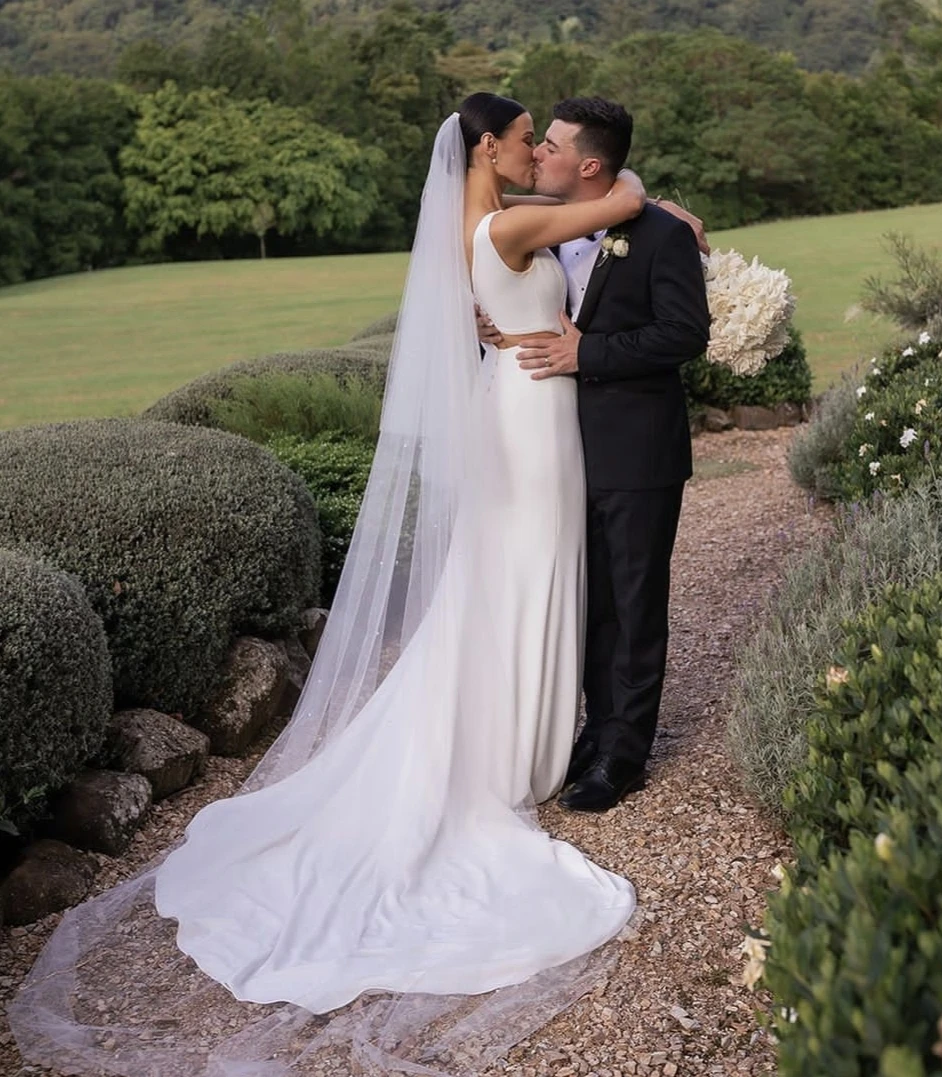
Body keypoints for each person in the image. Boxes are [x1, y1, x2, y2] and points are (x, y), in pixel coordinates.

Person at [8, 94, 664, 1077]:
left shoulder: (462, 227)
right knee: (523, 576)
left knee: (500, 587)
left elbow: (494, 309)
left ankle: (515, 746)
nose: (537, 150)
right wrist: (643, 187)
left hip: (514, 404)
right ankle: (513, 762)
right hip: (535, 422)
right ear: (488, 147)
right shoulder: (516, 219)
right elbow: (619, 203)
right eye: (527, 137)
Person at [481, 98, 711, 812]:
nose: (538, 154)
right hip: (558, 445)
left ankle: (623, 752)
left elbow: (684, 334)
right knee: (590, 601)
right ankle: (593, 727)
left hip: (638, 447)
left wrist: (590, 353)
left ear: (588, 164)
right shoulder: (550, 231)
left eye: (549, 146)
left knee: (635, 601)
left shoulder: (661, 234)